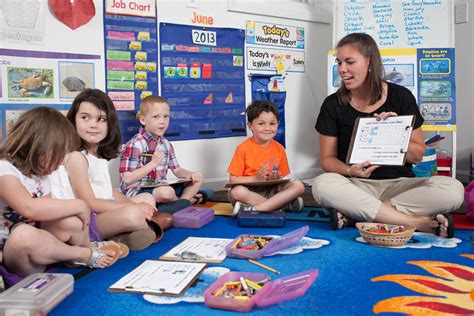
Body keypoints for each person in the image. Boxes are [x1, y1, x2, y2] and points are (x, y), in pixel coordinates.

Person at [312, 33, 464, 237]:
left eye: (349, 62)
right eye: (339, 62)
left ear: (370, 62)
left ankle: (356, 216)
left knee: (453, 189)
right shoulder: (333, 104)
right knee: (322, 185)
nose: (342, 69)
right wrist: (351, 171)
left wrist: (394, 132)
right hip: (356, 185)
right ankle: (416, 223)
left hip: (400, 186)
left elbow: (418, 155)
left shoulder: (401, 97)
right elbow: (327, 160)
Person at [0, 107, 121, 282]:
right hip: (14, 253)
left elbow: (47, 215)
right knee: (23, 234)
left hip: (41, 247)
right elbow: (29, 208)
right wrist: (79, 204)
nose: (58, 166)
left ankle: (86, 247)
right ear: (38, 146)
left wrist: (72, 215)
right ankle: (81, 253)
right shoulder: (4, 169)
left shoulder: (41, 175)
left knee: (69, 219)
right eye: (57, 157)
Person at [64, 89, 173, 250]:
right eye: (85, 118)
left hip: (103, 210)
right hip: (87, 221)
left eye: (101, 119)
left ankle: (122, 236)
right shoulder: (76, 157)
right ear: (73, 120)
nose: (93, 125)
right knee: (133, 214)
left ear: (110, 124)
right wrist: (134, 208)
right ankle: (119, 235)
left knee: (147, 201)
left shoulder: (97, 154)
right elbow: (90, 203)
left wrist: (132, 204)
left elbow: (110, 191)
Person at [119, 96, 205, 206]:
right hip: (138, 191)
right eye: (156, 117)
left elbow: (177, 170)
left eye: (166, 116)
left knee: (198, 178)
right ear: (143, 120)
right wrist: (153, 163)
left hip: (160, 187)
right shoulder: (135, 144)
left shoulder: (166, 144)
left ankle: (180, 203)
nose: (162, 122)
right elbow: (127, 179)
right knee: (166, 192)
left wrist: (190, 174)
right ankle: (184, 202)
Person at [227, 100, 305, 216]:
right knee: (237, 191)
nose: (267, 128)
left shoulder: (279, 148)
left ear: (278, 124)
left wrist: (276, 178)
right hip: (250, 193)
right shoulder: (242, 148)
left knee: (298, 185)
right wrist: (256, 179)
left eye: (272, 124)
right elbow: (233, 180)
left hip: (271, 191)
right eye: (261, 124)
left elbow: (283, 177)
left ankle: (255, 209)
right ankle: (281, 206)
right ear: (250, 126)